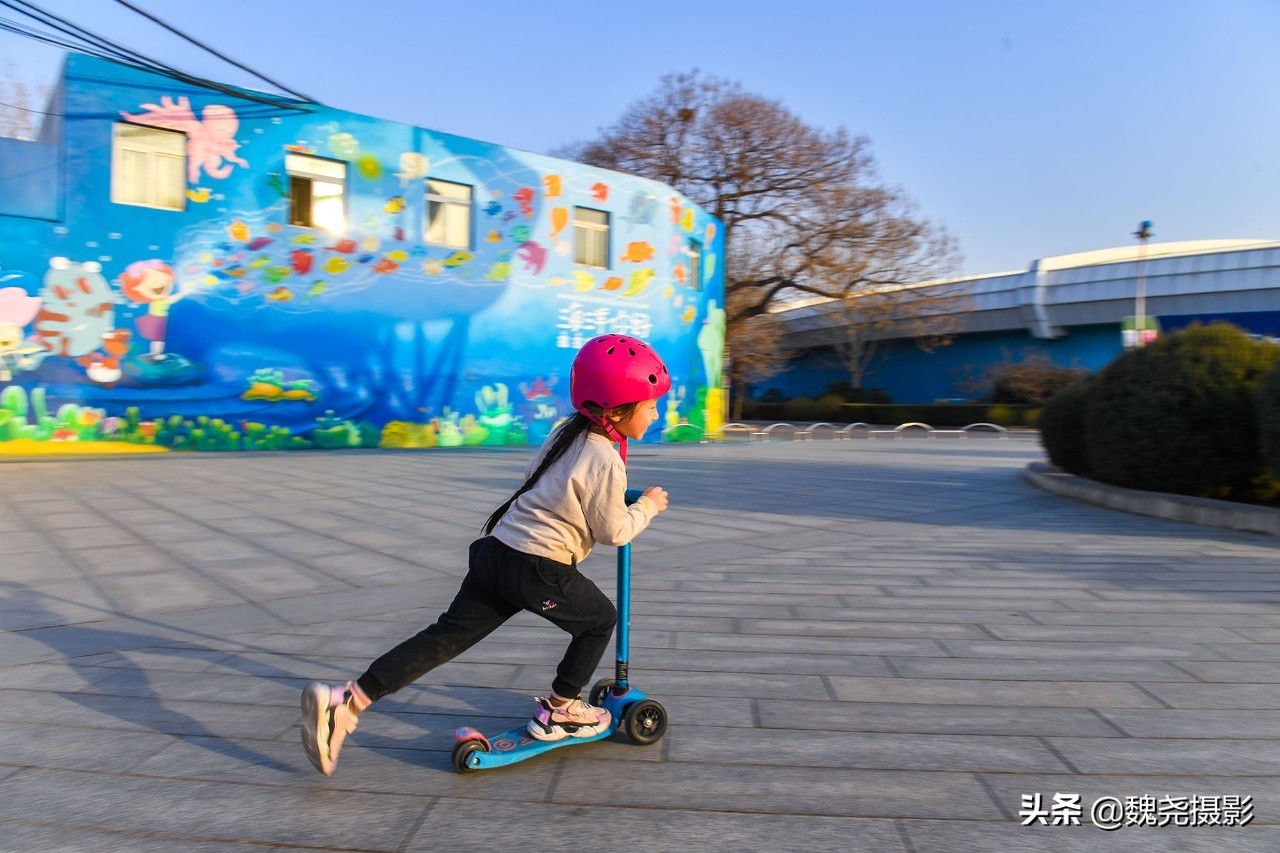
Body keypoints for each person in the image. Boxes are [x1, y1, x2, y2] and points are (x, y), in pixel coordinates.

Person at [301, 334, 672, 776]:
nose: (655, 413)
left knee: (445, 637)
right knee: (598, 621)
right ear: (616, 408)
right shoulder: (604, 460)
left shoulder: (565, 432)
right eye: (649, 405)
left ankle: (347, 703)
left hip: (497, 552)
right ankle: (560, 709)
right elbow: (612, 530)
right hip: (538, 565)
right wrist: (646, 506)